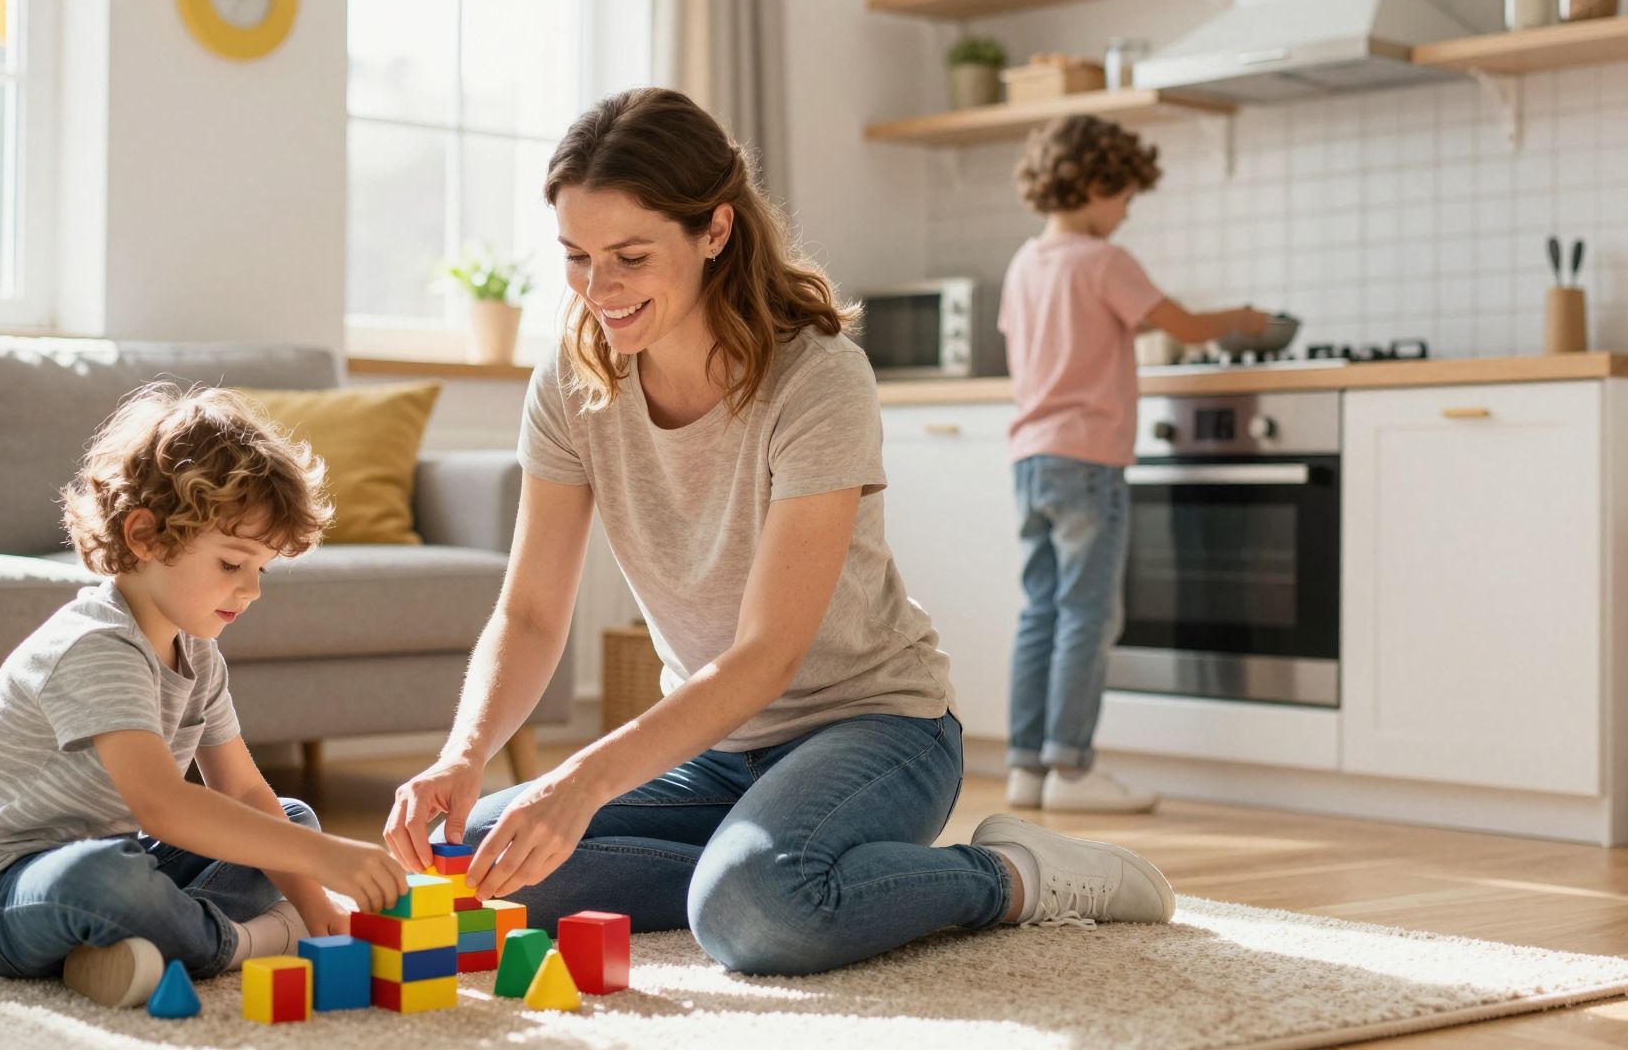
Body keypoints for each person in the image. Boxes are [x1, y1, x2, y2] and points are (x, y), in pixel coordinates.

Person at [382, 87, 1175, 978]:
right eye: (576, 257)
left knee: (752, 910)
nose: (598, 291)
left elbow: (768, 656)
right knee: (482, 858)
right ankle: (774, 860)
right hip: (712, 751)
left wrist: (585, 783)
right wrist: (461, 756)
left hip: (875, 729)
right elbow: (529, 614)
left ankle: (1009, 874)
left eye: (630, 257)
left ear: (714, 231)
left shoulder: (818, 379)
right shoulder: (573, 383)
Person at [0, 385, 406, 1006]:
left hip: (118, 853)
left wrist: (322, 917)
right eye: (232, 564)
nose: (252, 589)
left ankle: (129, 949)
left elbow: (244, 790)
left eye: (261, 568)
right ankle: (243, 941)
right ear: (145, 536)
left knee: (288, 818)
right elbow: (162, 806)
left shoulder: (197, 651)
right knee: (108, 880)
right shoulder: (95, 646)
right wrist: (320, 868)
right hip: (3, 898)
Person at [998, 115, 1269, 814]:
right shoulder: (1103, 262)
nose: (1124, 215)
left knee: (1041, 611)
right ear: (1094, 186)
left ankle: (1027, 767)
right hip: (1089, 459)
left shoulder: (1025, 262)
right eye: (1124, 199)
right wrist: (1242, 315)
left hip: (1030, 457)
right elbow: (1178, 325)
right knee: (1088, 613)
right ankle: (1074, 768)